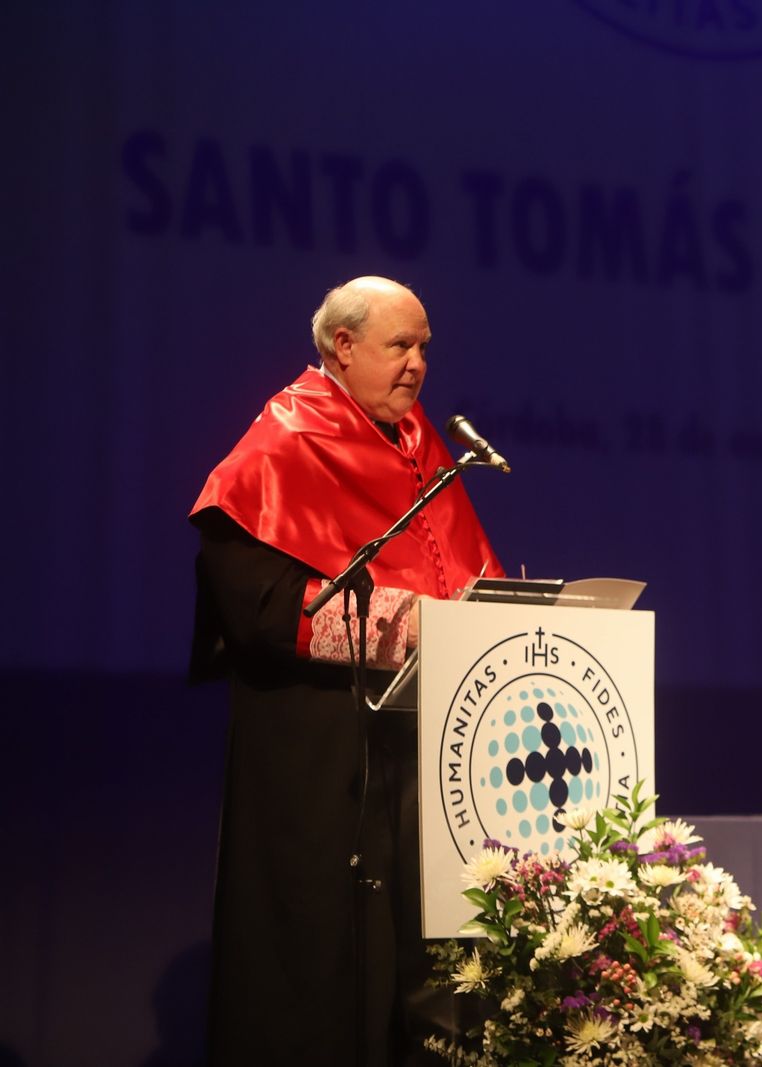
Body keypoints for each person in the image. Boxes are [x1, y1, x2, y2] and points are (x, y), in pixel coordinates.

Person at [189, 276, 504, 1066]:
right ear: (343, 346)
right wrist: (405, 629)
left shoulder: (423, 444)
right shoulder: (283, 440)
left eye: (425, 346)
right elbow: (255, 607)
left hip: (420, 761)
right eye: (401, 345)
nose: (418, 364)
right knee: (321, 970)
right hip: (319, 759)